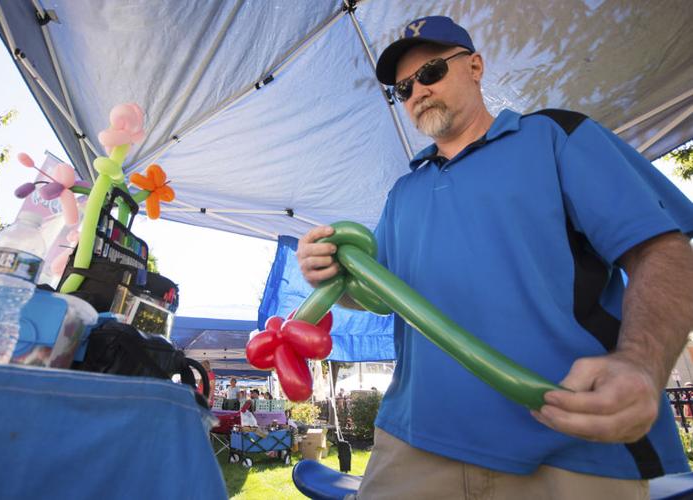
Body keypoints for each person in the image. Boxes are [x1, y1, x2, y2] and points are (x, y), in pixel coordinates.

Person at [296, 15, 693, 499]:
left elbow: (662, 250)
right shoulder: (404, 192)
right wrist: (331, 273)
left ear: (476, 66)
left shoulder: (555, 136)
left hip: (570, 442)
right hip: (412, 445)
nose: (417, 91)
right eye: (402, 89)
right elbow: (382, 296)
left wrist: (641, 364)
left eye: (432, 72)